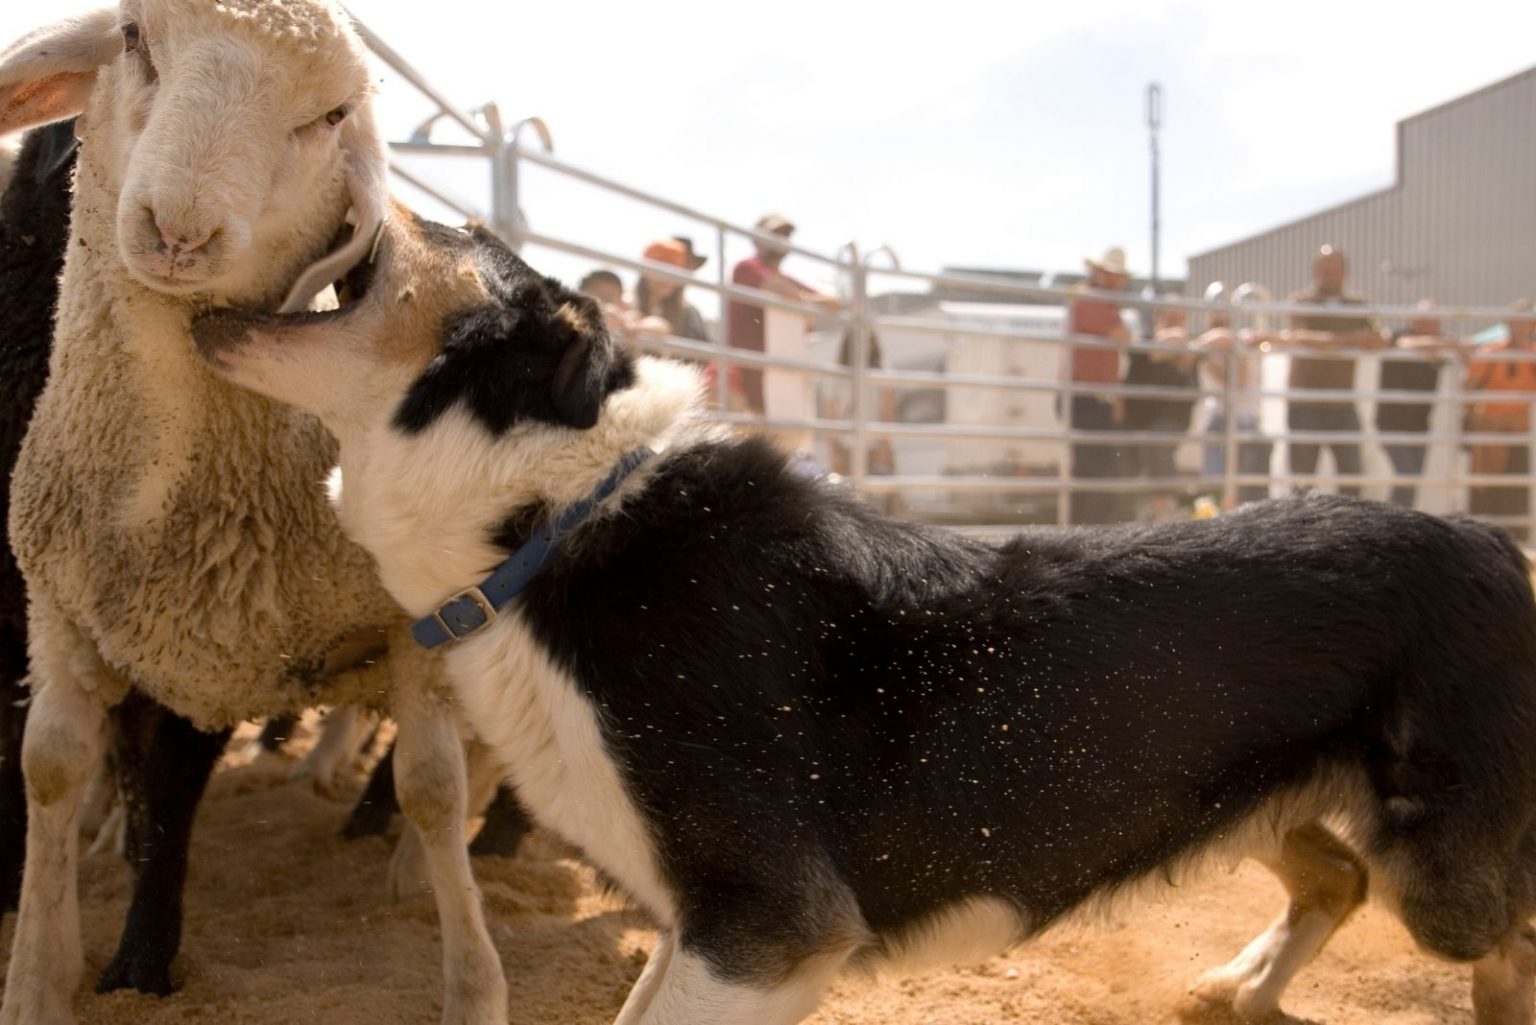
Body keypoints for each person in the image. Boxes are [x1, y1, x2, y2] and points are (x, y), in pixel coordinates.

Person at [1281, 245, 1385, 496]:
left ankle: (1349, 532)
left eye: (1335, 269)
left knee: (1351, 476)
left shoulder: (1358, 304)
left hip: (1342, 402)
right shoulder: (1302, 301)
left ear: (1345, 272)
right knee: (1302, 480)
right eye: (1324, 269)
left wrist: (1339, 341)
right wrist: (1349, 340)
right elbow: (1301, 337)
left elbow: (1376, 338)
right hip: (1306, 401)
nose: (1330, 274)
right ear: (1315, 272)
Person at [726, 213, 841, 414]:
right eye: (774, 233)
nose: (781, 239)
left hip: (777, 383)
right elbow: (781, 292)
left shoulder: (784, 278)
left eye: (785, 234)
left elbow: (833, 302)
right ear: (757, 239)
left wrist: (801, 300)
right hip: (744, 386)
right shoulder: (746, 268)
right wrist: (805, 304)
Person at [1062, 246, 1133, 523]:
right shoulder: (1091, 299)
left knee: (1091, 471)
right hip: (1086, 396)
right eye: (1110, 274)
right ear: (1098, 273)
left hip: (1093, 396)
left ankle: (1080, 532)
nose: (1116, 280)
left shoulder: (1095, 301)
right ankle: (1088, 534)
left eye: (1118, 275)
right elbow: (1121, 335)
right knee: (1099, 472)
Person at [1377, 300, 1460, 509]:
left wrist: (1447, 345)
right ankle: (1392, 522)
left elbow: (1465, 354)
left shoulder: (1440, 345)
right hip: (1391, 422)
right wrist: (1445, 345)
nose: (1429, 325)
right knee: (1407, 475)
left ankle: (1401, 522)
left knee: (1412, 479)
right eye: (1424, 320)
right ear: (1412, 321)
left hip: (1419, 423)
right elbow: (1404, 345)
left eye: (1433, 321)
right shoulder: (1399, 337)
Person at [1464, 299, 1536, 540]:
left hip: (1520, 431)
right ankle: (1481, 539)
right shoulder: (1490, 354)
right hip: (1491, 431)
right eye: (1517, 323)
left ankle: (1516, 538)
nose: (1521, 329)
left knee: (1516, 490)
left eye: (1526, 324)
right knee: (1487, 487)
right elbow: (1469, 388)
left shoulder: (1532, 356)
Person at [1123, 305, 1198, 518]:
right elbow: (1153, 351)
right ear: (1159, 319)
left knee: (1157, 443)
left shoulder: (1190, 347)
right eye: (1171, 318)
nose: (1176, 324)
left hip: (1171, 418)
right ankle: (1140, 508)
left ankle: (1165, 504)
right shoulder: (1145, 342)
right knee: (1128, 461)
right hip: (1138, 419)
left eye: (1180, 319)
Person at [1191, 311, 1272, 505]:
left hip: (1245, 420)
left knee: (1248, 487)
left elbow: (1239, 381)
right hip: (1219, 419)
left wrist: (1200, 352)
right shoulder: (1206, 350)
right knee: (1215, 483)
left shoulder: (1239, 341)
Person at [634, 239, 709, 341]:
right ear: (646, 272)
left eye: (672, 271)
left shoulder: (687, 313)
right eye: (658, 270)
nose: (665, 278)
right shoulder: (630, 302)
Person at [578, 268, 629, 337]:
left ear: (620, 301)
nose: (603, 305)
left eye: (608, 299)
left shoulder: (629, 322)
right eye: (596, 299)